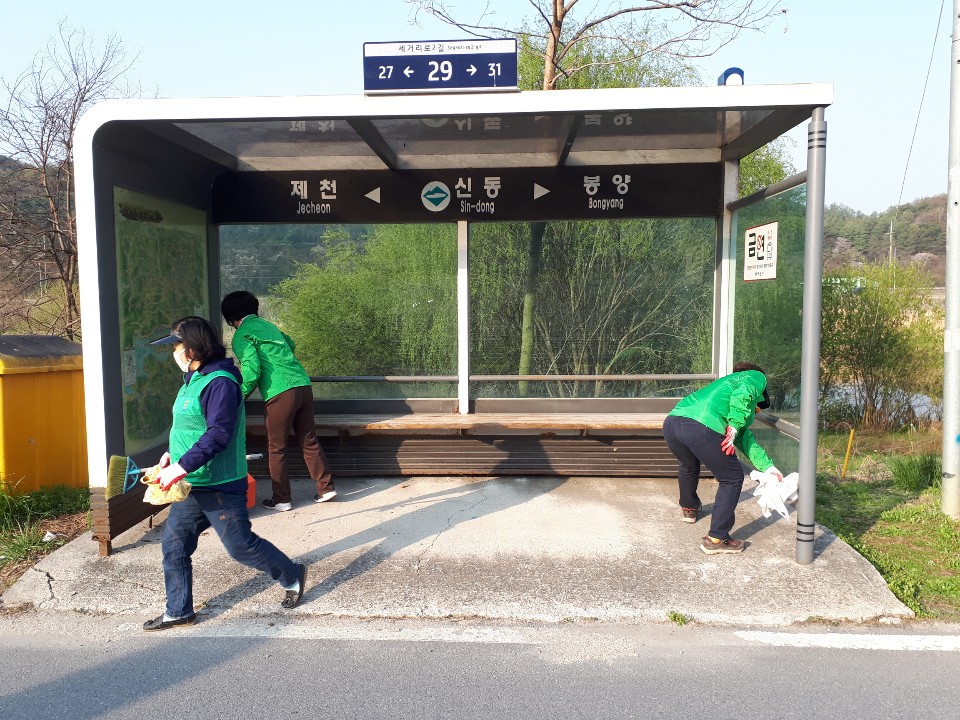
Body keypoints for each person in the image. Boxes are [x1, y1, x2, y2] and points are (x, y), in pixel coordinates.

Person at [142, 316, 307, 631]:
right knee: (174, 546)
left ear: (193, 347)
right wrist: (172, 457)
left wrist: (181, 466)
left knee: (240, 546)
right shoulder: (194, 378)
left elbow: (218, 433)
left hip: (220, 484)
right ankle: (178, 610)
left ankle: (291, 574)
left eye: (176, 345)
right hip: (192, 483)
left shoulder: (221, 382)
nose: (174, 352)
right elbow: (190, 426)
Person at [220, 290, 336, 511]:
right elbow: (289, 343)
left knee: (276, 447)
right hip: (302, 385)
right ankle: (326, 488)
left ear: (231, 318)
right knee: (309, 440)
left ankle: (281, 499)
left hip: (280, 391)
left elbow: (251, 369)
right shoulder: (268, 325)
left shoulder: (242, 334)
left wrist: (237, 396)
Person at [661, 362, 782, 555]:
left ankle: (689, 508)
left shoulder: (724, 388)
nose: (757, 410)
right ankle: (716, 538)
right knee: (732, 478)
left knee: (688, 465)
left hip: (672, 423)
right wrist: (734, 424)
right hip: (701, 426)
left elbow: (744, 439)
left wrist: (768, 467)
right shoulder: (755, 376)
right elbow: (744, 395)